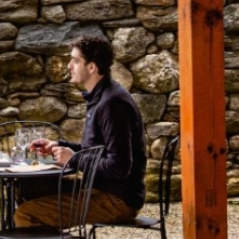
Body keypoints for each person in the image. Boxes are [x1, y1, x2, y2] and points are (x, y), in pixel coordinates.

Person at [18, 34, 146, 228]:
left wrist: (73, 158)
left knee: (26, 215)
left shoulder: (112, 104)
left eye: (75, 61)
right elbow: (96, 150)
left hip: (117, 199)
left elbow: (119, 167)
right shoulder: (101, 96)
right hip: (97, 188)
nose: (69, 66)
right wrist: (58, 146)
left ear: (92, 67)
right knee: (27, 188)